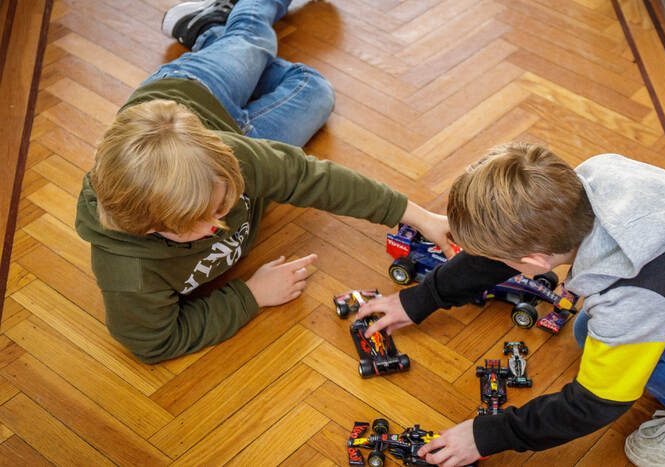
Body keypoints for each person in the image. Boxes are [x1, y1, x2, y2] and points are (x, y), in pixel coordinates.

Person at [356, 142, 665, 467]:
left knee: (627, 359)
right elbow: (507, 258)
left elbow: (597, 403)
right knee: (587, 332)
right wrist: (419, 301)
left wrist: (486, 435)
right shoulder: (595, 177)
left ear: (535, 260)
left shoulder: (634, 301)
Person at [74, 0, 453, 364]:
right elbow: (156, 342)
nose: (219, 223)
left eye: (226, 201)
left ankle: (216, 36)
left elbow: (310, 178)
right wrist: (251, 295)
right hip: (195, 118)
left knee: (255, 42)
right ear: (151, 228)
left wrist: (415, 215)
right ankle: (211, 33)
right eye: (201, 223)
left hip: (193, 92)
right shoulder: (129, 275)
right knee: (314, 88)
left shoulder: (224, 161)